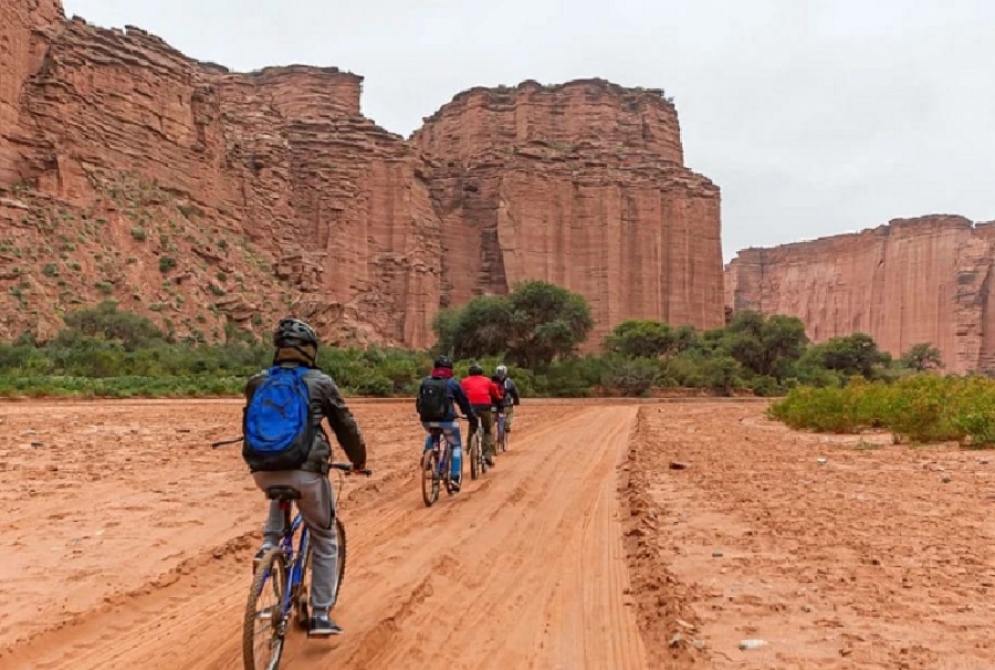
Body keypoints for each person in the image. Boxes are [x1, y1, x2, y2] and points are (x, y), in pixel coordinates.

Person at [243, 317, 367, 637]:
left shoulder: (258, 382)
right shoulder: (320, 381)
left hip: (262, 469)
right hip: (307, 471)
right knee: (325, 536)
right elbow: (345, 427)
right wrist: (358, 460)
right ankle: (321, 614)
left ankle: (267, 552)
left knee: (279, 492)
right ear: (309, 351)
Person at [416, 355, 477, 492]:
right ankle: (455, 477)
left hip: (427, 421)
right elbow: (464, 403)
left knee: (432, 433)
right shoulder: (452, 382)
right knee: (456, 445)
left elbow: (419, 402)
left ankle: (426, 454)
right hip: (447, 422)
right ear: (450, 369)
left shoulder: (426, 381)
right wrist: (471, 417)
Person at [460, 363, 504, 466]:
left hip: (471, 407)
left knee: (472, 426)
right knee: (487, 430)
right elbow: (495, 394)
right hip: (485, 407)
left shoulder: (464, 381)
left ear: (469, 373)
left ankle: (470, 447)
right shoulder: (487, 381)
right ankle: (487, 455)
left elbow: (461, 394)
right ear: (481, 372)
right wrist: (499, 401)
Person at [494, 364, 521, 442]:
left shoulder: (493, 380)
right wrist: (516, 401)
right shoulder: (509, 381)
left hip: (495, 405)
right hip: (506, 404)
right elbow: (514, 393)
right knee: (510, 413)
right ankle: (507, 425)